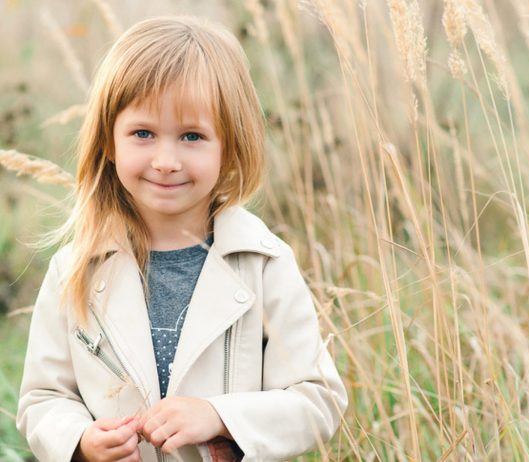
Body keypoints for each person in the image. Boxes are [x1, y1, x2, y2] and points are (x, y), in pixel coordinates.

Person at [16, 15, 348, 462]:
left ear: (229, 146)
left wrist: (218, 415)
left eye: (192, 136)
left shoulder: (264, 264)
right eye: (143, 134)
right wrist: (81, 441)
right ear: (110, 143)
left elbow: (318, 400)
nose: (166, 160)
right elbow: (42, 399)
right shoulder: (75, 269)